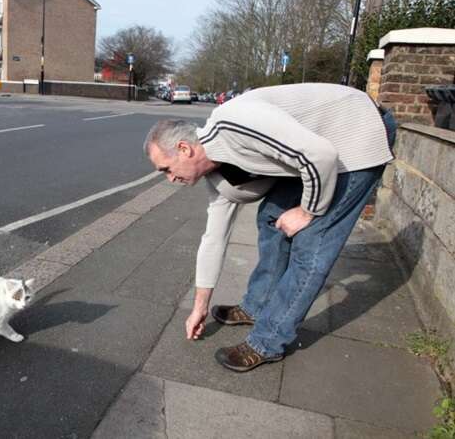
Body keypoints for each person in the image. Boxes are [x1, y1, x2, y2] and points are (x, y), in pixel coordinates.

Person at [143, 83, 396, 372]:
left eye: (166, 169)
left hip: (356, 134)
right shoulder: (217, 177)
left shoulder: (236, 125)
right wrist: (199, 306)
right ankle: (257, 305)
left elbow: (320, 156)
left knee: (312, 246)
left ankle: (268, 342)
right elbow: (214, 240)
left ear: (184, 149)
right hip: (316, 153)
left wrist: (307, 211)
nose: (169, 179)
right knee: (272, 216)